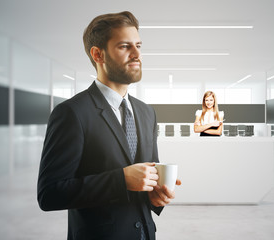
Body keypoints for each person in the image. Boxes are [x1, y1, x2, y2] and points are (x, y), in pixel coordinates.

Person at [37, 11, 181, 240]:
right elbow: (49, 194)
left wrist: (154, 196)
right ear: (98, 54)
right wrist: (121, 180)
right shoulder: (72, 113)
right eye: (125, 46)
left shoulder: (147, 113)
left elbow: (144, 180)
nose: (137, 55)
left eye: (139, 46)